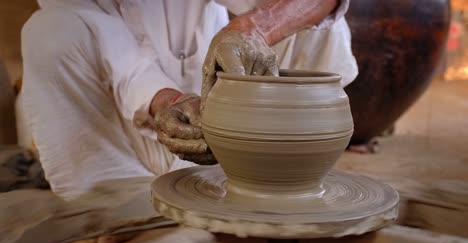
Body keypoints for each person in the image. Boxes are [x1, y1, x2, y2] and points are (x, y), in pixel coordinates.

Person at [21, 0, 357, 200]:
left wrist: (250, 29)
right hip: (131, 132)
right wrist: (169, 100)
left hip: (228, 121)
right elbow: (120, 60)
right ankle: (113, 199)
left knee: (315, 21)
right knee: (49, 31)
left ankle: (289, 179)